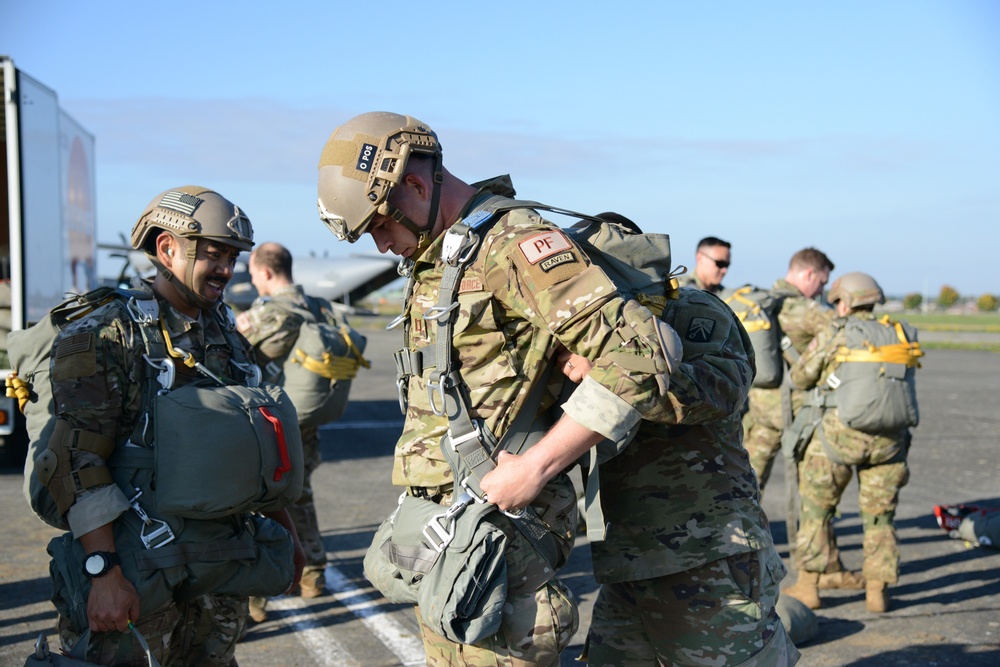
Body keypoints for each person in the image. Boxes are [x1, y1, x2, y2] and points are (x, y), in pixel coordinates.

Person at [317, 112, 677, 665]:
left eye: (381, 227)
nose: (384, 246)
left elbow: (643, 355)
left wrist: (536, 468)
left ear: (415, 185)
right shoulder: (447, 252)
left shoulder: (512, 244)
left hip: (504, 530)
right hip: (457, 521)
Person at [36, 186, 305, 665]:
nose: (227, 269)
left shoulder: (223, 331)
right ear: (167, 249)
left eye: (233, 257)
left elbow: (254, 444)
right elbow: (75, 461)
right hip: (136, 572)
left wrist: (287, 534)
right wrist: (104, 574)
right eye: (214, 255)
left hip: (217, 568)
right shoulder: (105, 334)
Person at [548, 213, 799, 665]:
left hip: (708, 552)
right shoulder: (589, 330)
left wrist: (609, 375)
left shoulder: (696, 312)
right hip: (628, 558)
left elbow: (718, 391)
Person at [782, 272, 919, 614]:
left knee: (816, 510)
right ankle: (877, 591)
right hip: (890, 442)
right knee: (879, 518)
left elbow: (800, 377)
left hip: (837, 439)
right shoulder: (898, 331)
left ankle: (809, 587)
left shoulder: (836, 331)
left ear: (844, 301)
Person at [236, 241, 345, 620]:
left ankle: (254, 600)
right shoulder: (319, 306)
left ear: (265, 272)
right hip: (307, 421)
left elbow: (232, 352)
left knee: (256, 503)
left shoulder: (267, 314)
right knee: (301, 496)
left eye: (252, 274)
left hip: (270, 426)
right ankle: (313, 575)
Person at [743, 247, 835, 493]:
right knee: (813, 492)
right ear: (808, 274)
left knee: (745, 487)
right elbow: (843, 331)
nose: (821, 290)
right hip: (795, 413)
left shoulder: (762, 302)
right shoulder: (806, 309)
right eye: (821, 282)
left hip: (759, 410)